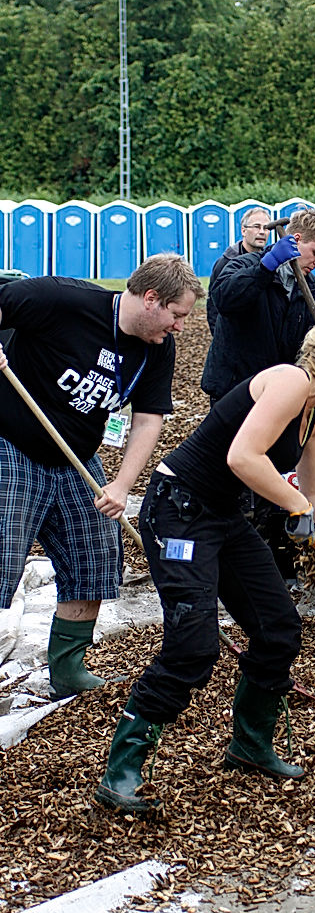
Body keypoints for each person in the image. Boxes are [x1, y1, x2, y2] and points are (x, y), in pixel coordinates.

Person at [95, 318, 315, 814]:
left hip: (224, 516)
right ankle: (123, 768)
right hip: (179, 510)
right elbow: (243, 457)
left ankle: (250, 744)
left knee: (278, 629)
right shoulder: (290, 382)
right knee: (193, 647)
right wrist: (294, 507)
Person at [0, 256, 204, 699]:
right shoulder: (61, 299)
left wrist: (121, 486)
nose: (181, 327)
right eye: (178, 315)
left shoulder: (156, 347)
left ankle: (68, 668)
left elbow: (149, 419)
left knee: (94, 556)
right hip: (11, 441)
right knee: (2, 553)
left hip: (77, 457)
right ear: (151, 299)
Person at [201, 209, 315, 406]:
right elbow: (224, 299)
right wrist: (266, 268)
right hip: (235, 390)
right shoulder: (244, 264)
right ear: (296, 239)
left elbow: (314, 332)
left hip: (279, 392)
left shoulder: (309, 284)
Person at [206, 207, 271, 335]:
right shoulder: (225, 263)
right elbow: (214, 305)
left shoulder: (270, 263)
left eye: (266, 227)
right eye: (257, 227)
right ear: (243, 230)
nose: (262, 232)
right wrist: (218, 336)